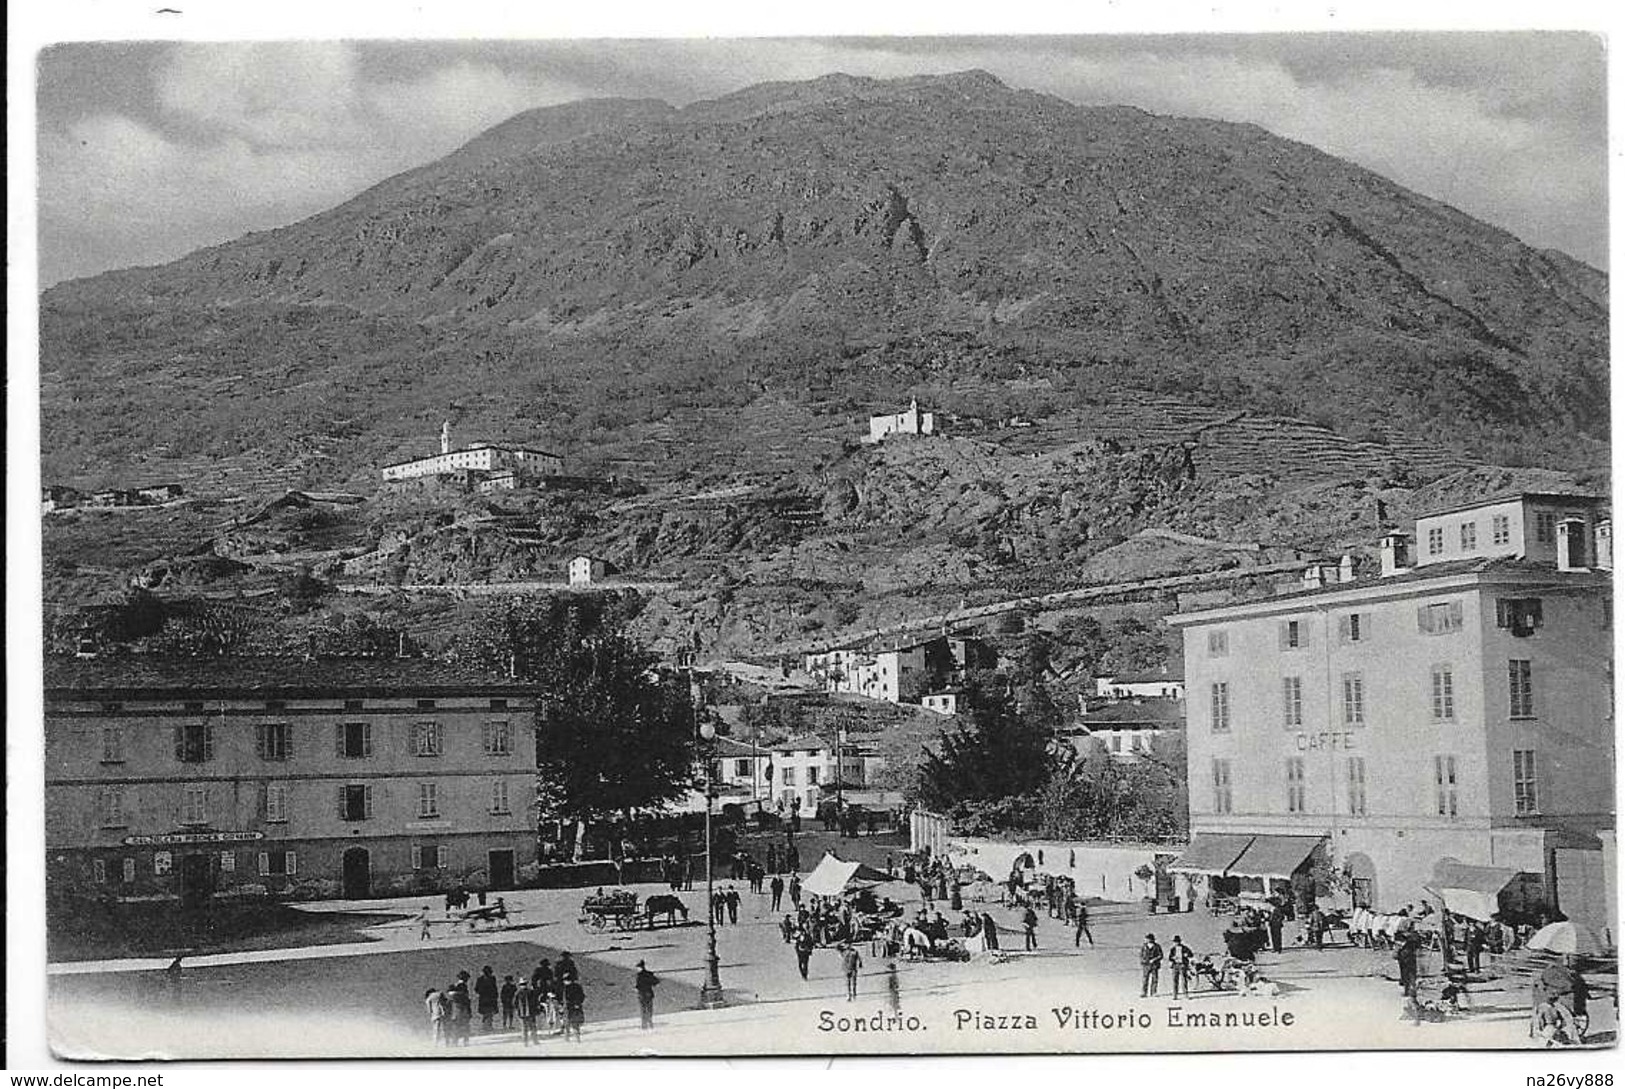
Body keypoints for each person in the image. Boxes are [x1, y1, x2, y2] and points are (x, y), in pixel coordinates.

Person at [448, 974, 473, 1045]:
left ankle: (455, 1041)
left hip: (455, 1009)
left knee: (455, 1025)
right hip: (463, 1008)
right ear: (466, 979)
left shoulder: (453, 986)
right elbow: (466, 999)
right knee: (465, 1025)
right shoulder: (463, 986)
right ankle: (466, 1041)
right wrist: (469, 1011)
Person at [634, 960, 659, 1030]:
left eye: (638, 968)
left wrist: (636, 988)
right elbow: (656, 982)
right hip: (648, 993)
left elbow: (639, 985)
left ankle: (644, 1024)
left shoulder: (639, 976)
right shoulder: (649, 974)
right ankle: (649, 1022)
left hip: (642, 994)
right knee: (649, 1008)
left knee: (643, 1009)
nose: (637, 969)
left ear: (641, 968)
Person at [514, 979, 540, 1046]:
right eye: (522, 985)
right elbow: (515, 1003)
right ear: (520, 986)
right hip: (523, 1013)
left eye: (524, 984)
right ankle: (525, 1042)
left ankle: (535, 1040)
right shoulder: (518, 993)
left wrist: (536, 1009)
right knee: (524, 1028)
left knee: (533, 1027)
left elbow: (535, 1001)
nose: (523, 986)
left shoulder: (531, 992)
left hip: (531, 1012)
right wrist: (518, 1010)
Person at [1395, 931, 1420, 997]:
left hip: (1403, 955)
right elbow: (1417, 946)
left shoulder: (1400, 935)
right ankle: (1412, 990)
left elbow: (1397, 948)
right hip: (1411, 955)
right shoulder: (1414, 936)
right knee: (1412, 974)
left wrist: (1396, 954)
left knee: (1405, 974)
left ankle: (1407, 991)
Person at [474, 966, 499, 1031]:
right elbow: (494, 988)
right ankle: (488, 1025)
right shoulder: (492, 979)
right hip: (489, 998)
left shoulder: (480, 979)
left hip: (484, 998)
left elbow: (476, 989)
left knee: (486, 1013)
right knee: (488, 1012)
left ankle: (486, 1025)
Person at [1139, 933, 1164, 998]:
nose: (1146, 940)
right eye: (1146, 939)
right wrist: (1143, 961)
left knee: (1155, 979)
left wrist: (1154, 959)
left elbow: (1161, 955)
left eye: (1148, 939)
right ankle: (1144, 992)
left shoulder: (1157, 946)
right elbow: (1141, 955)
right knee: (1145, 979)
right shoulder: (1144, 947)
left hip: (1154, 965)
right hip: (1146, 965)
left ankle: (1153, 992)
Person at [563, 977, 586, 1041]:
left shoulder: (567, 988)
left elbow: (567, 998)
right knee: (574, 1022)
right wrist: (579, 1003)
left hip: (570, 1007)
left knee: (569, 1022)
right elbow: (582, 996)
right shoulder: (578, 986)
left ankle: (568, 1037)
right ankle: (575, 1037)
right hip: (576, 1006)